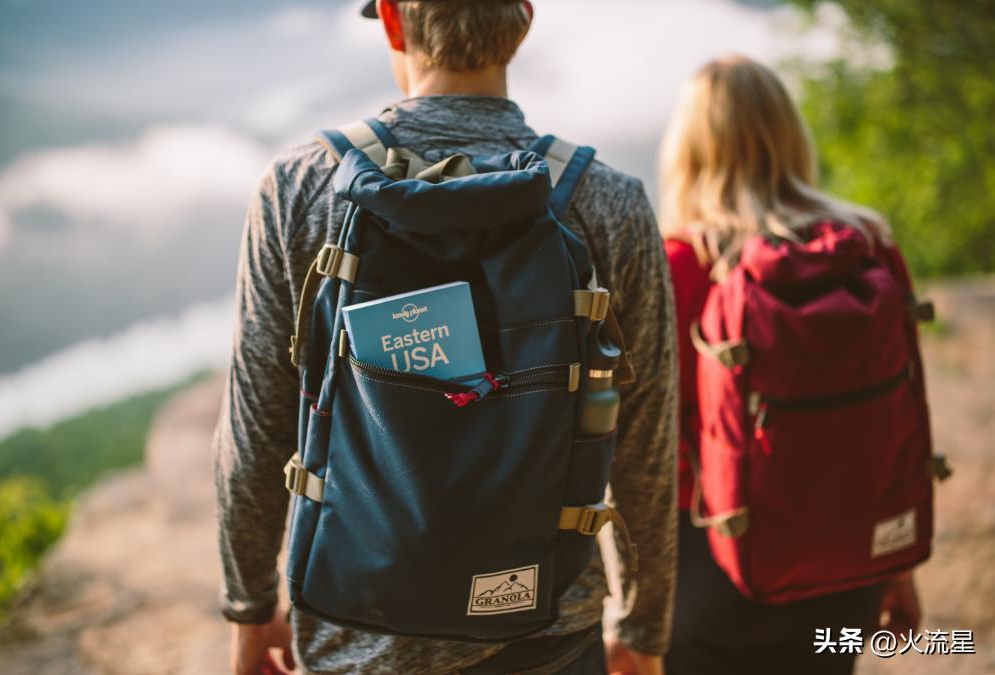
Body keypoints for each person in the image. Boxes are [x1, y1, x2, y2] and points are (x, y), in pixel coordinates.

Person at [213, 1, 679, 673]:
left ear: (396, 22)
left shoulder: (300, 188)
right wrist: (644, 628)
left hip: (356, 634)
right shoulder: (608, 201)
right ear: (520, 22)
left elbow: (253, 436)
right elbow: (646, 444)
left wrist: (250, 611)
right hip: (547, 628)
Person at [657, 54, 923, 675]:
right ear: (789, 134)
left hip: (711, 564)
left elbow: (650, 442)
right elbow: (896, 417)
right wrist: (895, 565)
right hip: (846, 560)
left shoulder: (679, 261)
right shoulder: (868, 246)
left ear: (690, 148)